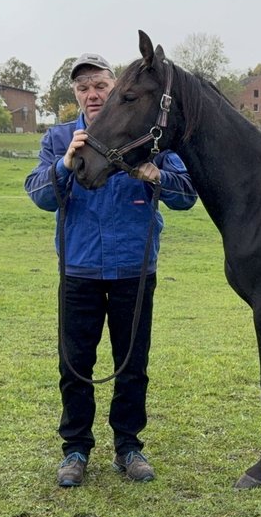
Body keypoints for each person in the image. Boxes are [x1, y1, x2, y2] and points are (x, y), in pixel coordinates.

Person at [25, 53, 196, 487]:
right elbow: (40, 194)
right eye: (83, 88)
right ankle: (76, 449)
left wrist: (155, 175)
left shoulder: (142, 132)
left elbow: (186, 194)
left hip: (133, 269)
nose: (92, 94)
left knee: (132, 364)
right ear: (75, 96)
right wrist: (64, 164)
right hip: (79, 268)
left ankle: (128, 446)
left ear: (115, 85)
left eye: (99, 85)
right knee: (75, 363)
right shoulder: (61, 137)